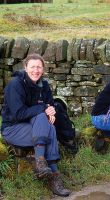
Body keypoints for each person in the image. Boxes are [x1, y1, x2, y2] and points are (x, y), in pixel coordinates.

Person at [1, 53, 71, 197]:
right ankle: (50, 173)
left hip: (36, 128)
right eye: (32, 67)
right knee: (47, 125)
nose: (36, 70)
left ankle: (43, 166)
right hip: (13, 129)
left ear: (43, 69)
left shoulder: (44, 85)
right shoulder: (15, 84)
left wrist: (50, 110)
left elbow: (50, 104)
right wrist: (44, 108)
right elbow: (19, 113)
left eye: (39, 67)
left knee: (48, 125)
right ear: (25, 67)